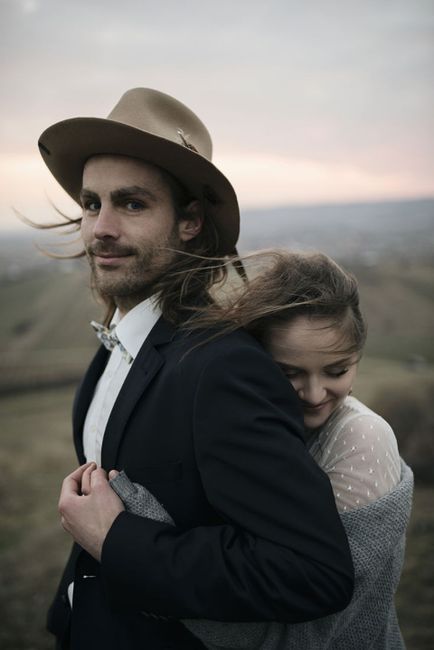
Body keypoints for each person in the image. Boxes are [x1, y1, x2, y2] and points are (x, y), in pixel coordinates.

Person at [37, 89, 354, 650]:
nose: (100, 228)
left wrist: (117, 540)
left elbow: (311, 572)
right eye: (91, 204)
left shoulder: (221, 366)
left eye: (131, 204)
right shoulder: (116, 345)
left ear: (188, 222)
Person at [117, 250, 410, 649]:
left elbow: (305, 628)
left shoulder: (362, 439)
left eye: (337, 370)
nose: (314, 394)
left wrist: (136, 537)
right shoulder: (246, 427)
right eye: (288, 372)